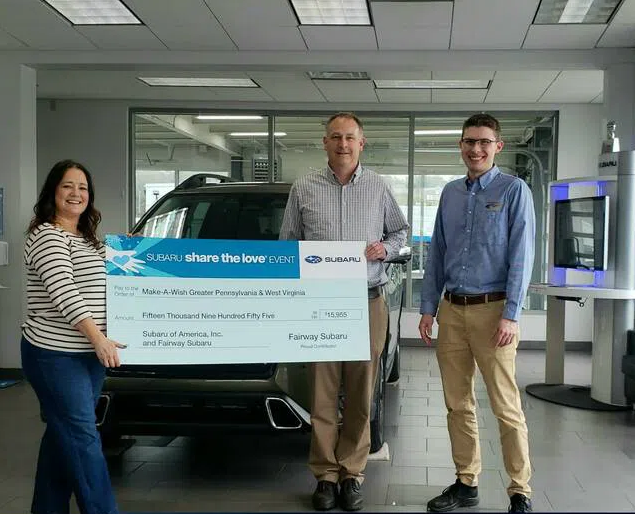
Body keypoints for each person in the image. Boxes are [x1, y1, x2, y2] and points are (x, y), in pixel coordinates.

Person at [280, 112, 408, 511]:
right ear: (324, 142)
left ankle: (352, 473)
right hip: (320, 304)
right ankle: (325, 476)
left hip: (367, 300)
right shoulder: (304, 187)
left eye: (349, 137)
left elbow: (401, 234)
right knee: (320, 392)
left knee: (360, 391)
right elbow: (288, 243)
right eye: (335, 137)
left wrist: (384, 250)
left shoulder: (378, 187)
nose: (342, 144)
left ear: (361, 142)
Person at [418, 113, 535, 514]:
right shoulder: (450, 193)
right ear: (461, 145)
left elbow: (522, 255)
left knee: (505, 406)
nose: (476, 149)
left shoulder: (514, 190)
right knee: (457, 403)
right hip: (452, 310)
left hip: (494, 312)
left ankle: (520, 490)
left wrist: (512, 314)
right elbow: (437, 253)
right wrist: (427, 307)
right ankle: (466, 482)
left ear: (498, 146)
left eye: (484, 142)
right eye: (469, 141)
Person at [21, 159, 125, 514]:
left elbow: (118, 285)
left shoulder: (89, 240)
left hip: (88, 356)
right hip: (54, 355)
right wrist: (99, 338)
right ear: (53, 191)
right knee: (82, 439)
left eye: (82, 187)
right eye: (67, 186)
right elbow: (65, 292)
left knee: (61, 437)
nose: (76, 193)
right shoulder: (47, 235)